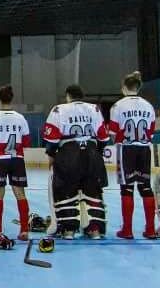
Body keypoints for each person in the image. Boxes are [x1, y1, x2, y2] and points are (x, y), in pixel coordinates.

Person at [42, 85, 109, 239]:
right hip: (91, 152)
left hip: (68, 153)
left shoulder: (58, 109)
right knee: (93, 191)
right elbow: (103, 138)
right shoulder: (95, 109)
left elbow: (52, 140)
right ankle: (95, 229)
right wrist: (95, 155)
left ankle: (68, 229)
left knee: (66, 191)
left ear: (68, 96)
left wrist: (52, 157)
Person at [109, 72, 158, 239]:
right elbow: (151, 131)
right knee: (146, 188)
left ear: (124, 88)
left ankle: (127, 230)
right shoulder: (148, 106)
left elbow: (114, 132)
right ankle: (151, 229)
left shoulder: (118, 106)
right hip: (144, 148)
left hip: (127, 149)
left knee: (127, 188)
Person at [0, 85, 32, 240]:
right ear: (12, 99)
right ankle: (24, 230)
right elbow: (27, 142)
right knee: (20, 194)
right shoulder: (21, 118)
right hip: (17, 159)